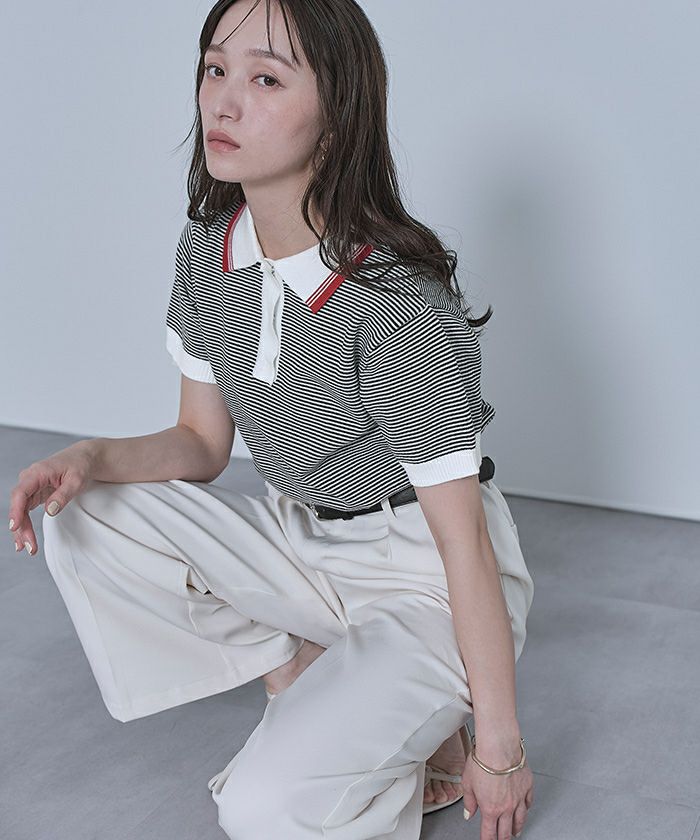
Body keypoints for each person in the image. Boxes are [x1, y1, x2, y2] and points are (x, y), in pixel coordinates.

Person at [7, 0, 535, 837]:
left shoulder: (397, 303)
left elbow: (461, 541)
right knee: (84, 507)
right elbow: (201, 444)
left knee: (258, 811)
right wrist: (87, 457)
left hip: (423, 573)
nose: (223, 101)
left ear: (338, 114)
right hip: (301, 540)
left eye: (265, 79)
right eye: (216, 69)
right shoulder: (207, 249)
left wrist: (501, 752)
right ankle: (299, 663)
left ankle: (425, 722)